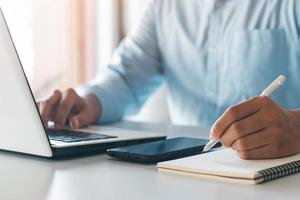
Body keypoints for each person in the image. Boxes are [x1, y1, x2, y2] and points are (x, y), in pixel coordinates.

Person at [38, 0, 300, 159]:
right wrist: (88, 103)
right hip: (184, 171)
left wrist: (296, 127)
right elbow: (127, 75)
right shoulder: (164, 6)